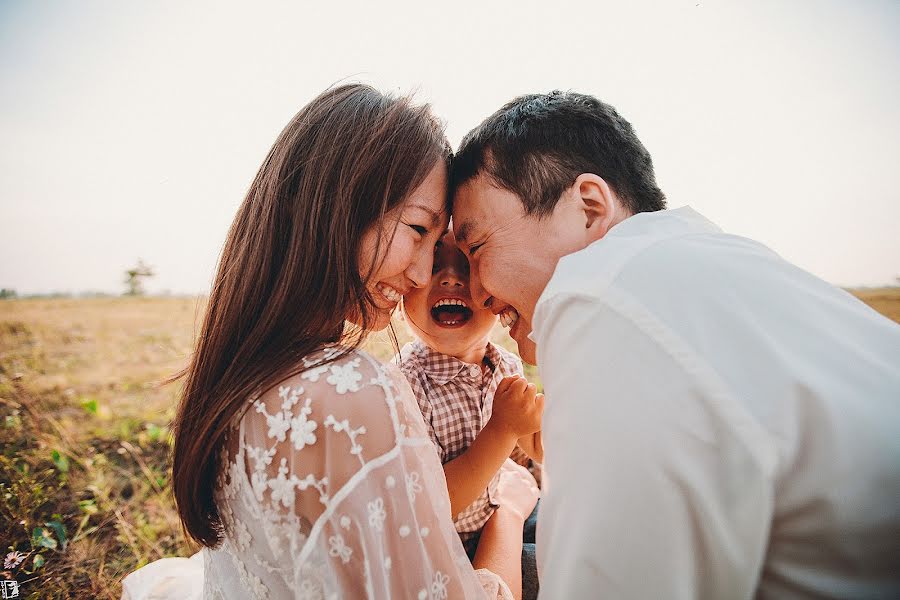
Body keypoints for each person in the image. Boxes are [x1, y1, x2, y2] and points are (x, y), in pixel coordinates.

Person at [450, 90, 900, 598]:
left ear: (589, 208)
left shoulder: (601, 296)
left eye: (477, 247)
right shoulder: (720, 264)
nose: (476, 293)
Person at [121, 84, 538, 600]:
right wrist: (511, 516)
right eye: (416, 228)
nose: (424, 271)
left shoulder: (251, 373)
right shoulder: (353, 392)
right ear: (334, 208)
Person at [398, 229, 544, 600]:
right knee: (553, 571)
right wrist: (502, 428)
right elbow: (430, 509)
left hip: (496, 512)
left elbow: (529, 444)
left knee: (580, 535)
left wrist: (538, 434)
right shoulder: (406, 385)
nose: (450, 277)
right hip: (449, 552)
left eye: (467, 263)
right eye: (434, 263)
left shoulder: (504, 363)